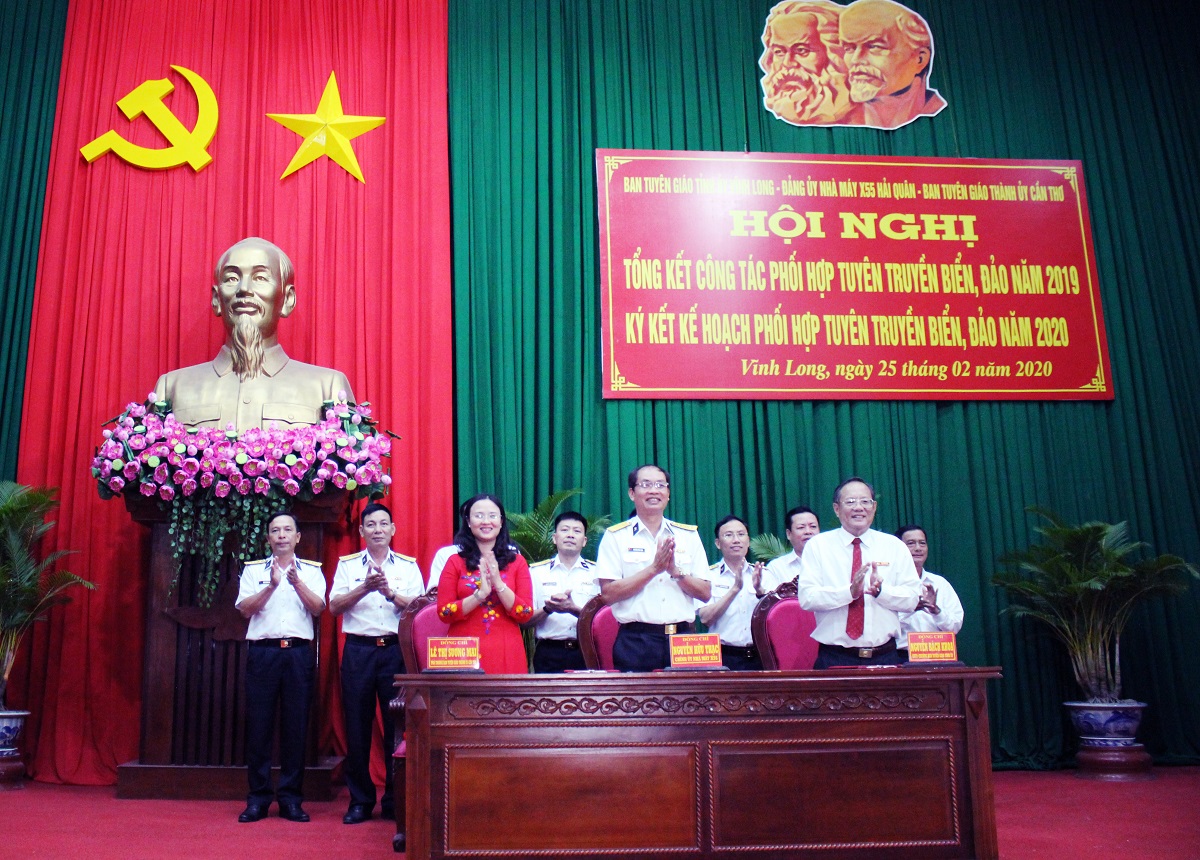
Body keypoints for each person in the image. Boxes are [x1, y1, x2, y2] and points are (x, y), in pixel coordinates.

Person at [153, 237, 354, 431]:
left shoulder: (327, 388)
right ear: (216, 299)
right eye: (232, 278)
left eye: (260, 278)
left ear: (287, 299)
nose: (244, 289)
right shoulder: (171, 388)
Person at [328, 503, 424, 824]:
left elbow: (420, 608)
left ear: (393, 529)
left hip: (395, 651)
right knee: (357, 726)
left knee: (396, 726)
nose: (378, 529)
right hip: (359, 651)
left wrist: (389, 593)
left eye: (384, 524)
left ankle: (395, 799)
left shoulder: (408, 567)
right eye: (371, 524)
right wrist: (364, 588)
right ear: (362, 531)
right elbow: (334, 606)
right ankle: (360, 800)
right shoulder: (348, 565)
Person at [234, 511, 326, 823]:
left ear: (298, 537)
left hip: (298, 654)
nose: (282, 535)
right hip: (263, 654)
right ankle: (258, 799)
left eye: (288, 530)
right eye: (276, 531)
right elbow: (245, 610)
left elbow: (319, 607)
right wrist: (271, 586)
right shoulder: (253, 571)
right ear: (268, 538)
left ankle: (290, 799)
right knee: (259, 727)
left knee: (296, 728)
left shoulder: (311, 571)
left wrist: (296, 583)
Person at [596, 464, 713, 672]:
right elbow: (608, 594)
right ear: (632, 493)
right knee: (637, 695)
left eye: (660, 485)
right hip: (636, 641)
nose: (654, 490)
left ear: (668, 494)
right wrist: (654, 569)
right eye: (646, 485)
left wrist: (676, 572)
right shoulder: (616, 536)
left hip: (683, 640)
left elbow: (705, 593)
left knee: (688, 694)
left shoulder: (688, 535)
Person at [796, 477, 920, 668]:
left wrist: (881, 592)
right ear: (837, 509)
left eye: (865, 501)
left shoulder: (894, 546)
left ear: (874, 507)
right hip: (835, 657)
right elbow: (808, 598)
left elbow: (912, 599)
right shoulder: (818, 546)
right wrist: (849, 592)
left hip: (885, 657)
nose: (859, 507)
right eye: (851, 502)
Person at [436, 495, 534, 673]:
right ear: (468, 521)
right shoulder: (454, 562)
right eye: (479, 516)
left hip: (506, 649)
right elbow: (444, 612)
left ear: (501, 522)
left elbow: (525, 613)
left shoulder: (517, 562)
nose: (486, 521)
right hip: (463, 651)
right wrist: (479, 595)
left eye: (492, 516)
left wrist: (499, 584)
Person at [838, 0, 946, 130]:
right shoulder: (842, 117)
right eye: (849, 49)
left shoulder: (938, 113)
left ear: (920, 59)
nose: (855, 60)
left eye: (874, 47)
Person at [525, 512, 601, 673]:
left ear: (584, 541)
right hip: (548, 652)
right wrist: (548, 609)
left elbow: (603, 621)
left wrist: (573, 609)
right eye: (565, 530)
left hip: (586, 651)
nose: (570, 535)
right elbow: (525, 620)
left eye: (577, 531)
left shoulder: (597, 573)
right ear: (554, 538)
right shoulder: (536, 573)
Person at [759, 1, 852, 125]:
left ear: (834, 54)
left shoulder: (867, 113)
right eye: (779, 51)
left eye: (802, 50)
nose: (788, 63)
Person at [698, 515, 768, 671]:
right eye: (729, 535)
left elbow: (778, 619)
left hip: (761, 655)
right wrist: (735, 589)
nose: (736, 540)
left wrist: (760, 592)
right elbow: (705, 618)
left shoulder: (765, 574)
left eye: (741, 534)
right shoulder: (708, 576)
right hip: (724, 655)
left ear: (748, 541)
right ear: (718, 543)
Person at [894, 524, 964, 660]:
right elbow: (883, 628)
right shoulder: (890, 585)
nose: (918, 548)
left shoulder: (940, 584)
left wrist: (935, 610)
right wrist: (912, 608)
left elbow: (954, 626)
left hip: (939, 656)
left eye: (922, 543)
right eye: (911, 543)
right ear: (898, 549)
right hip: (901, 657)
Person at [763, 505, 821, 590]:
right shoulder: (776, 567)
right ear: (789, 534)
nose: (808, 531)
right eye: (801, 527)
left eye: (813, 526)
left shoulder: (832, 560)